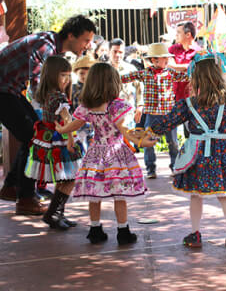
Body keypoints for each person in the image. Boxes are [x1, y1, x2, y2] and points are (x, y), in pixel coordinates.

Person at [147, 51, 226, 249]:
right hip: (223, 153)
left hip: (198, 154)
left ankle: (195, 234)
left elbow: (165, 123)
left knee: (196, 194)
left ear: (195, 78)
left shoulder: (189, 104)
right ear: (218, 75)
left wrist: (148, 134)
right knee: (224, 195)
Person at [0, 15, 95, 215]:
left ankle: (12, 187)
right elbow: (41, 89)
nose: (88, 46)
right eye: (86, 40)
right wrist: (61, 115)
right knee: (36, 138)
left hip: (10, 90)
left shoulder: (50, 45)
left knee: (35, 133)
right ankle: (25, 198)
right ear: (71, 35)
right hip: (4, 91)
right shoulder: (45, 47)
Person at [55, 62, 154, 245]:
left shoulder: (87, 106)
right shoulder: (117, 106)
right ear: (112, 82)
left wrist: (61, 130)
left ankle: (95, 230)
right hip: (116, 154)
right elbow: (124, 130)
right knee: (119, 194)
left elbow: (74, 125)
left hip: (95, 153)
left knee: (94, 193)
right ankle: (123, 231)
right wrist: (141, 141)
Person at [24, 56, 84, 229]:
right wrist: (71, 139)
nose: (66, 79)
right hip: (61, 139)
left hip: (49, 137)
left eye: (68, 75)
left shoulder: (47, 93)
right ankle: (53, 214)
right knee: (70, 178)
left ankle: (58, 214)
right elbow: (67, 120)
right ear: (51, 75)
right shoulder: (59, 97)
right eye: (62, 75)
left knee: (65, 177)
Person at [120, 43, 189, 178]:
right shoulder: (145, 73)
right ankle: (151, 169)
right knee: (148, 143)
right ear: (154, 60)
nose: (167, 60)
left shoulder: (170, 73)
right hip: (152, 115)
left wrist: (197, 72)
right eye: (164, 58)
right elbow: (127, 77)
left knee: (173, 142)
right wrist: (113, 78)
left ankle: (175, 167)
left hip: (168, 115)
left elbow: (186, 77)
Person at [109, 38, 143, 129]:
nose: (117, 55)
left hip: (127, 116)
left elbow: (140, 88)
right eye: (115, 52)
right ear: (109, 52)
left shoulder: (131, 69)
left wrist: (140, 106)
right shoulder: (102, 70)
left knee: (128, 142)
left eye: (120, 52)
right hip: (107, 116)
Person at [168, 22, 200, 102]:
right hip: (174, 96)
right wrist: (185, 67)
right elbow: (167, 64)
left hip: (193, 96)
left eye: (178, 32)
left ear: (188, 35)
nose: (176, 35)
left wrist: (174, 66)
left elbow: (193, 68)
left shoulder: (199, 52)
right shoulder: (173, 49)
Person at [72, 55, 96, 150]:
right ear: (76, 73)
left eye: (88, 74)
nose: (85, 76)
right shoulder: (72, 88)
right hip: (78, 125)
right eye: (81, 73)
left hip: (93, 125)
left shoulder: (96, 88)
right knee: (81, 150)